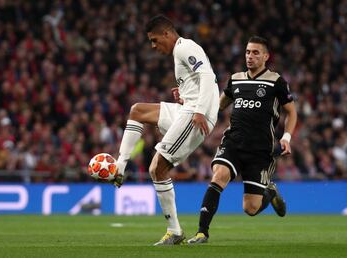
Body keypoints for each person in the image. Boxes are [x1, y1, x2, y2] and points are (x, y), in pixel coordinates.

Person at [113, 14, 220, 245]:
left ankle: (174, 231)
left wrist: (199, 109)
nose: (153, 46)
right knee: (137, 111)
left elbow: (208, 76)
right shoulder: (179, 53)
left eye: (154, 40)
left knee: (157, 167)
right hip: (188, 109)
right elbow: (198, 80)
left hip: (195, 116)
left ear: (167, 34)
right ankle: (120, 165)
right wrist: (184, 96)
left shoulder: (185, 47)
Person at [187, 36, 297, 244]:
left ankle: (268, 192)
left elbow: (292, 112)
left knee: (250, 208)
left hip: (260, 151)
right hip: (233, 143)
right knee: (219, 176)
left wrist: (286, 137)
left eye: (256, 53)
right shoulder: (236, 79)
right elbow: (217, 106)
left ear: (266, 56)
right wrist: (191, 105)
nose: (250, 56)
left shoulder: (276, 81)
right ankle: (202, 232)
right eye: (248, 52)